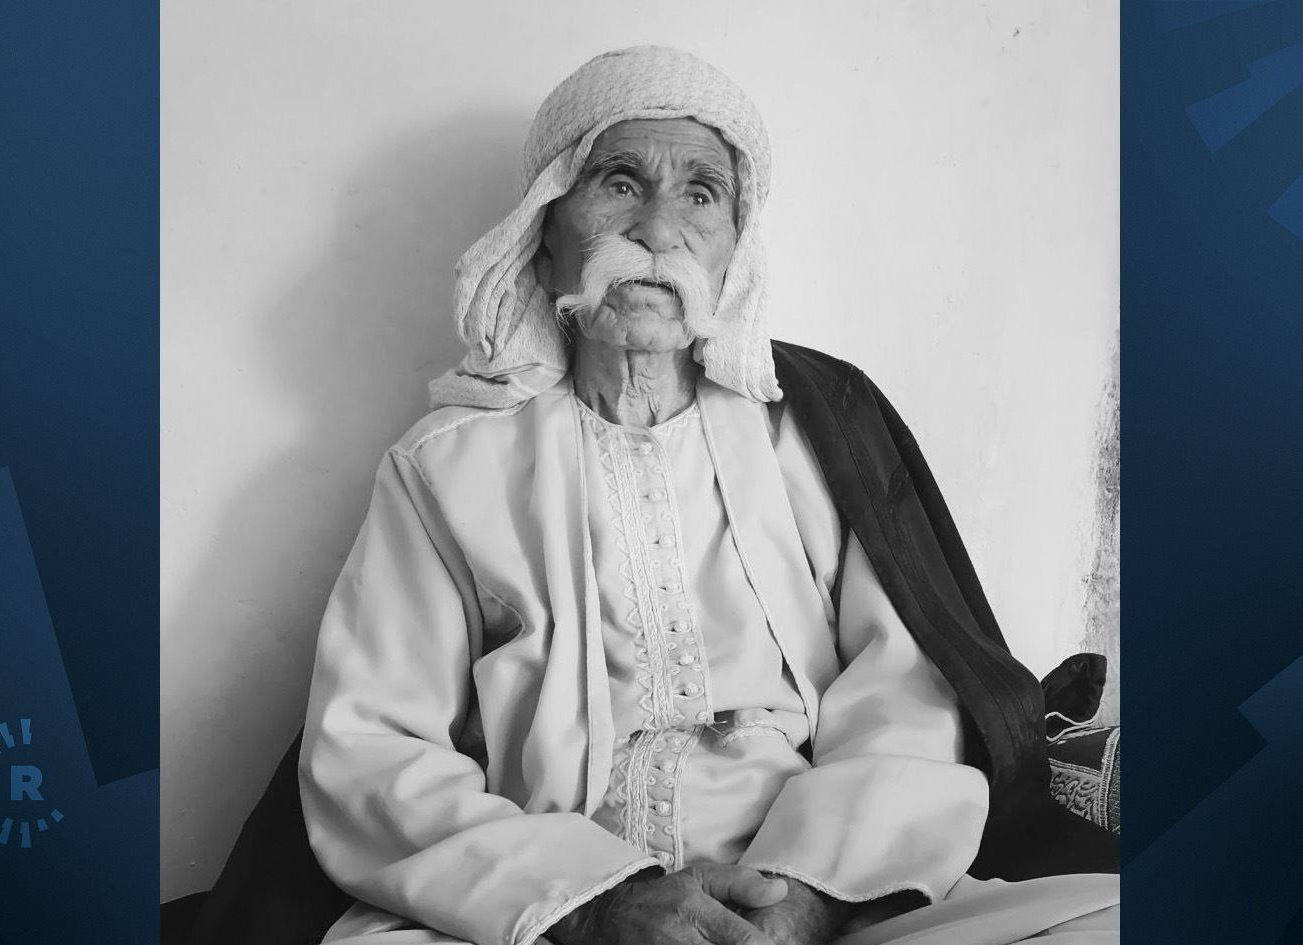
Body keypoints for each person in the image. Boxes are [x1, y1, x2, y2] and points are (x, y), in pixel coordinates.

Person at [299, 45, 1119, 945]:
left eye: (701, 194)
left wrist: (806, 897)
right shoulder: (448, 466)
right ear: (546, 229)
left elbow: (906, 693)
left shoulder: (818, 428)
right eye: (620, 182)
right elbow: (372, 746)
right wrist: (598, 904)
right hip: (552, 907)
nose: (659, 229)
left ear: (735, 245)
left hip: (817, 892)